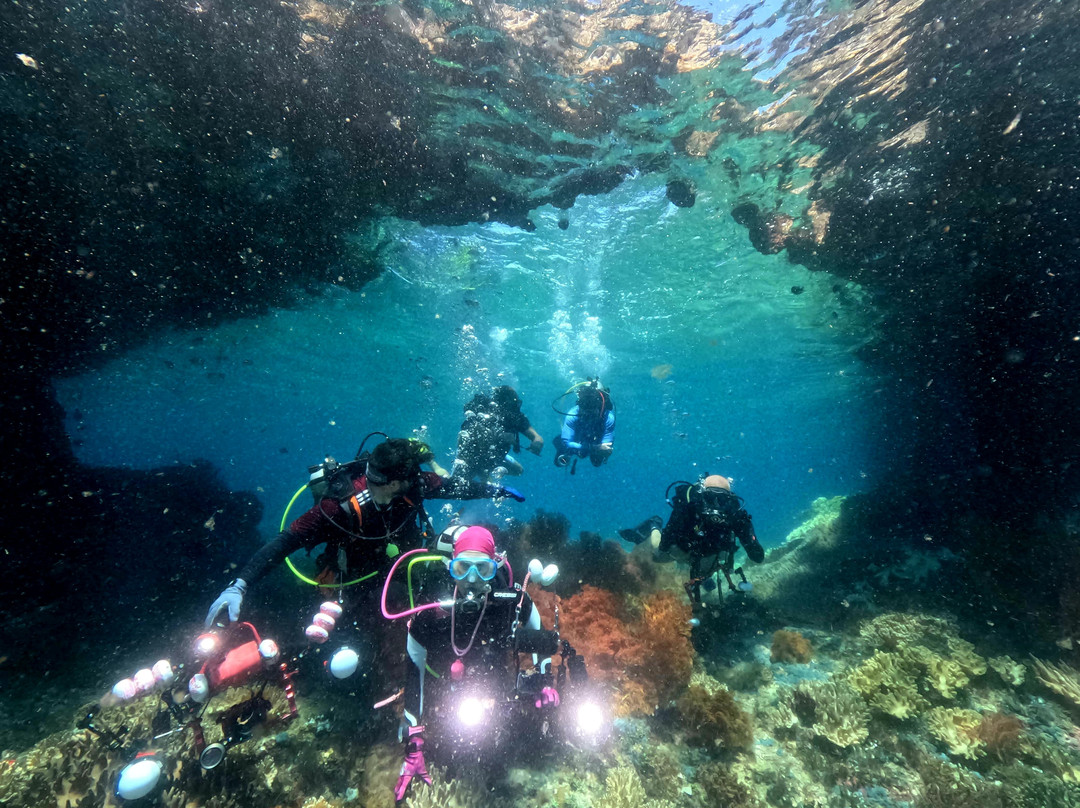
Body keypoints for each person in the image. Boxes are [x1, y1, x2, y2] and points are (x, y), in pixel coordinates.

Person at [204, 438, 525, 628]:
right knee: (353, 630)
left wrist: (497, 490)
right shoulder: (339, 506)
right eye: (369, 480)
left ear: (399, 483)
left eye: (378, 484)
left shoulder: (416, 485)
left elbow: (456, 487)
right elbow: (287, 540)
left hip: (400, 563)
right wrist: (240, 585)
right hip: (354, 573)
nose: (370, 488)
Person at [393, 525, 561, 802]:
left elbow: (539, 635)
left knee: (506, 749)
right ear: (450, 567)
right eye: (462, 569)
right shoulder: (430, 612)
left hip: (493, 680)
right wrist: (414, 742)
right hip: (443, 684)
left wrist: (543, 681)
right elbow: (415, 668)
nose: (471, 579)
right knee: (446, 752)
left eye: (483, 569)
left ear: (495, 567)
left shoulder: (511, 601)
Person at [620, 474, 764, 606]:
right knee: (656, 555)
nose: (716, 505)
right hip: (684, 548)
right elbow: (664, 545)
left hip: (710, 552)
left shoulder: (735, 514)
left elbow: (758, 557)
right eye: (711, 498)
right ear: (703, 495)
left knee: (713, 564)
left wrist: (746, 530)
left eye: (721, 500)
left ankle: (703, 576)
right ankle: (654, 524)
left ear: (729, 500)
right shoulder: (689, 507)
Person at [453, 385, 543, 482]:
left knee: (518, 470)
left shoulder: (517, 417)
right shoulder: (485, 408)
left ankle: (485, 471)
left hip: (496, 457)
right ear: (505, 401)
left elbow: (537, 437)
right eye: (514, 401)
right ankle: (480, 472)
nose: (516, 406)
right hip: (473, 456)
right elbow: (473, 430)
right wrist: (500, 436)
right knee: (459, 481)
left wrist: (537, 443)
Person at [552, 380, 615, 470]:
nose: (588, 410)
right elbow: (566, 442)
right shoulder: (572, 415)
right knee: (559, 459)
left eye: (592, 404)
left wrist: (600, 449)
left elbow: (606, 446)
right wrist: (593, 448)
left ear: (601, 404)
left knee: (597, 461)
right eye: (585, 404)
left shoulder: (608, 418)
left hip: (590, 441)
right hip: (582, 440)